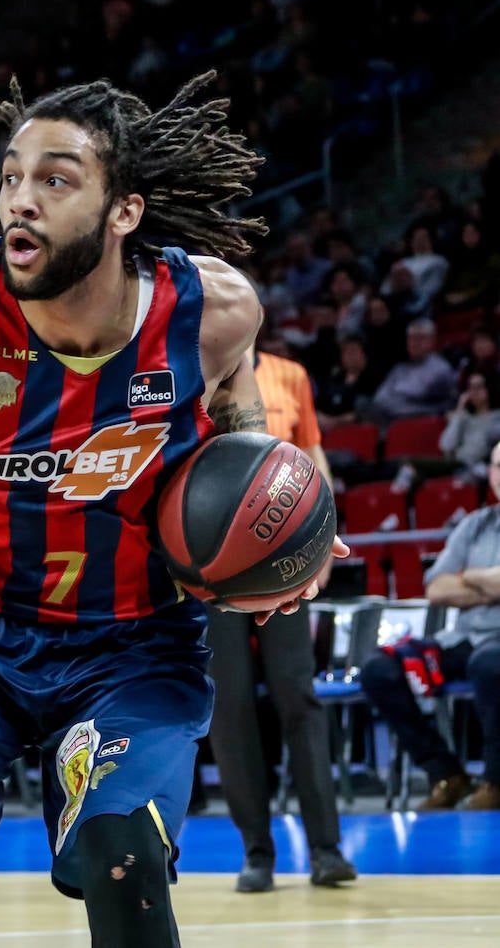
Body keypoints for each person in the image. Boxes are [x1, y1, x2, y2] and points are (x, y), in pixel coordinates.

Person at [0, 71, 346, 948]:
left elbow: (243, 431)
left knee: (123, 859)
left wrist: (281, 543)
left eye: (56, 179)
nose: (21, 201)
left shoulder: (213, 313)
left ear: (124, 212)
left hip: (133, 644)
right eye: (12, 176)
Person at [205, 348, 357, 892]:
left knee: (299, 696)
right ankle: (257, 853)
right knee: (231, 705)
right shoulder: (191, 369)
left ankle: (327, 850)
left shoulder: (292, 375)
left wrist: (321, 539)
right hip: (214, 567)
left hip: (285, 562)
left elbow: (313, 458)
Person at [358, 439, 500, 811]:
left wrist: (468, 578)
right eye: (497, 466)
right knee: (379, 669)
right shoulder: (475, 525)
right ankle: (446, 773)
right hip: (465, 638)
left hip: (494, 648)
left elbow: (455, 584)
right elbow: (437, 588)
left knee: (488, 664)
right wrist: (489, 583)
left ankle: (496, 781)